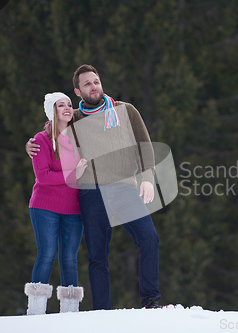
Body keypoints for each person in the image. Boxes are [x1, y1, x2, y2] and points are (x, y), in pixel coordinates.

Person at [26, 65, 161, 310]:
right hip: (92, 193)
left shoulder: (125, 110)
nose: (94, 86)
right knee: (98, 256)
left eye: (96, 81)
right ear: (78, 91)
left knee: (149, 238)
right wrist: (31, 144)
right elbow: (51, 129)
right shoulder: (74, 118)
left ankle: (151, 301)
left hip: (125, 188)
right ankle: (101, 311)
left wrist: (148, 177)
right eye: (87, 84)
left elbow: (145, 144)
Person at [24, 92, 88, 315]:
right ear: (53, 111)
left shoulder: (78, 138)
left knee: (69, 258)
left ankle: (70, 313)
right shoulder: (41, 140)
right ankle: (36, 311)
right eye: (61, 105)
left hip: (74, 209)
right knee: (47, 254)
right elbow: (43, 177)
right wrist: (73, 174)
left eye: (69, 104)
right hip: (44, 207)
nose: (67, 108)